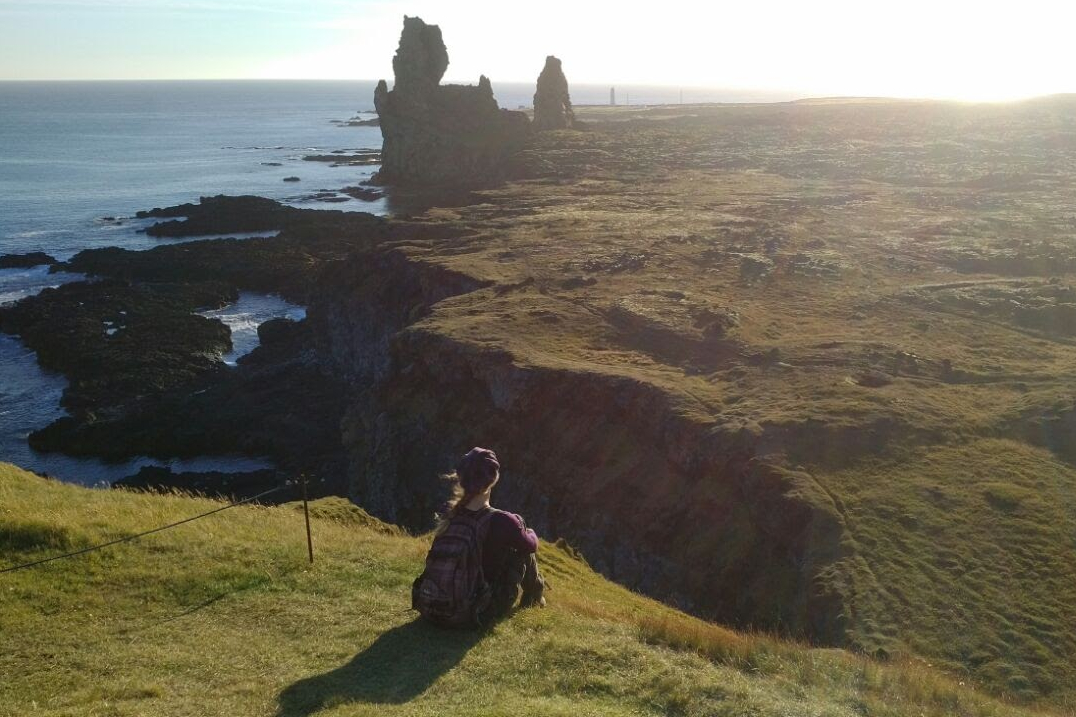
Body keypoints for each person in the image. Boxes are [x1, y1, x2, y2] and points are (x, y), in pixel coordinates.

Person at [440, 447, 546, 622]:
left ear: (461, 478)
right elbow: (531, 545)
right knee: (522, 548)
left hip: (438, 601)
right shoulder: (503, 520)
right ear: (494, 478)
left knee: (517, 535)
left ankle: (534, 597)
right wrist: (528, 531)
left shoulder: (450, 514)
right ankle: (534, 597)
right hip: (480, 608)